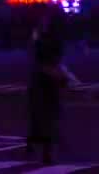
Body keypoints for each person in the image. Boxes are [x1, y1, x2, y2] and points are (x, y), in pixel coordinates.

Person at [26, 19, 67, 164]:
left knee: (39, 115)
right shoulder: (54, 43)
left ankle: (34, 145)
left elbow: (35, 53)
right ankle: (45, 149)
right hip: (49, 80)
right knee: (49, 117)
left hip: (41, 80)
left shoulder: (40, 41)